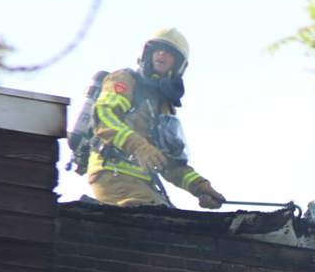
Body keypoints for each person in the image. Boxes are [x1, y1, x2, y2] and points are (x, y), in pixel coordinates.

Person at [87, 28, 225, 209]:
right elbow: (103, 116)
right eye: (158, 49)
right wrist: (139, 146)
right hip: (112, 174)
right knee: (154, 220)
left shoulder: (165, 106)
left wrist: (199, 186)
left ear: (178, 64)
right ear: (147, 54)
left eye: (170, 53)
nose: (162, 53)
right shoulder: (125, 79)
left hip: (143, 183)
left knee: (176, 223)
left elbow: (168, 162)